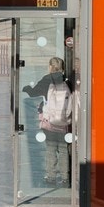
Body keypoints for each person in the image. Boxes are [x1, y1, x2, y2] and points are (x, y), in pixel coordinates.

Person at [23, 57, 74, 185]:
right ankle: (65, 177)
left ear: (51, 67)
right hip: (64, 123)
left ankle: (51, 176)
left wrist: (27, 88)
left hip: (50, 122)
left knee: (51, 149)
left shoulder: (47, 79)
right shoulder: (67, 81)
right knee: (63, 150)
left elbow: (33, 93)